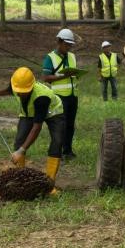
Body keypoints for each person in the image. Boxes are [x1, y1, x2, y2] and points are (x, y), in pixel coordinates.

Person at [0, 67, 65, 193]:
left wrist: (21, 150)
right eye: (18, 91)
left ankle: (49, 185)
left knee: (57, 142)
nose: (20, 94)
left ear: (31, 86)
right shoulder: (16, 84)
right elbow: (9, 90)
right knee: (19, 140)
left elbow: (37, 128)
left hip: (54, 112)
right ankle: (21, 180)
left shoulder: (42, 97)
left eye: (23, 92)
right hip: (28, 112)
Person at [42, 28, 80, 160]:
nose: (69, 47)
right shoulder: (50, 57)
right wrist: (63, 76)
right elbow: (46, 78)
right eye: (66, 44)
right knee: (60, 126)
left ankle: (68, 151)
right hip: (59, 97)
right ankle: (57, 152)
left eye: (70, 45)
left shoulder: (72, 56)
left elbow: (73, 74)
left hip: (72, 95)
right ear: (59, 41)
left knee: (70, 124)